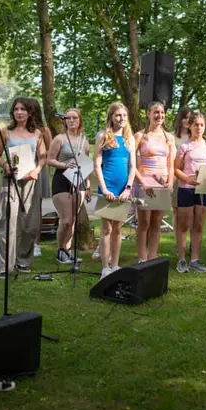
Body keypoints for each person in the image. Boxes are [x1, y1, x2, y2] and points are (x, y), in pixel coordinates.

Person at [0, 98, 46, 277]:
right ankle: (4, 264)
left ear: (30, 113)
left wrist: (37, 170)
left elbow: (43, 157)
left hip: (30, 181)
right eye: (16, 109)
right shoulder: (6, 132)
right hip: (10, 180)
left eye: (23, 109)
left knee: (29, 223)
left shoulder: (37, 134)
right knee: (8, 221)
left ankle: (23, 260)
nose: (19, 112)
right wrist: (5, 164)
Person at [94, 102, 137, 278]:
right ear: (111, 117)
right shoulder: (103, 136)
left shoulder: (129, 139)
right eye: (118, 115)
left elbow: (133, 166)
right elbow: (97, 164)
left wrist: (128, 188)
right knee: (106, 229)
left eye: (124, 115)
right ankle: (105, 268)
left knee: (118, 229)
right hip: (108, 187)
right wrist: (104, 189)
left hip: (123, 189)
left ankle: (115, 265)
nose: (122, 118)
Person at [174, 111, 206, 273]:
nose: (199, 128)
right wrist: (187, 179)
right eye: (196, 124)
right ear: (189, 126)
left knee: (198, 226)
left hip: (203, 191)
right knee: (184, 225)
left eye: (201, 125)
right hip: (186, 189)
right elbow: (176, 169)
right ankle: (181, 260)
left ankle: (195, 259)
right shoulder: (185, 146)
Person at [134, 101, 176, 262]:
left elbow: (171, 165)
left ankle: (152, 256)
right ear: (148, 114)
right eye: (156, 112)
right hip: (145, 184)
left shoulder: (169, 137)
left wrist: (170, 182)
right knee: (143, 224)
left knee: (156, 225)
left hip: (162, 186)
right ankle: (142, 258)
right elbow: (131, 163)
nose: (159, 115)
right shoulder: (140, 136)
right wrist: (142, 182)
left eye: (162, 112)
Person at [48, 107, 90, 264]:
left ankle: (68, 250)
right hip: (62, 179)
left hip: (78, 181)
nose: (72, 121)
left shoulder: (84, 141)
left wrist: (87, 184)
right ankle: (60, 249)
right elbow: (49, 159)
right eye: (68, 118)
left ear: (80, 121)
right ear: (64, 121)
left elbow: (85, 163)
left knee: (73, 219)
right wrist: (65, 165)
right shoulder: (59, 139)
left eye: (75, 118)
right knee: (65, 220)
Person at [34, 123, 53, 258]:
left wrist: (43, 155)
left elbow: (51, 152)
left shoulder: (43, 130)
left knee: (36, 208)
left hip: (39, 168)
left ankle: (36, 243)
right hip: (21, 167)